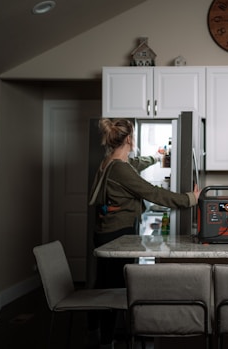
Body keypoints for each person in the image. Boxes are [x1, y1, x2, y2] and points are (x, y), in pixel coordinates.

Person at [88, 118, 199, 348]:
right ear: (130, 138)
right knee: (113, 290)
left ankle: (95, 331)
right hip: (118, 235)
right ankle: (107, 340)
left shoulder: (110, 162)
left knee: (103, 284)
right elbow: (152, 193)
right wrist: (190, 199)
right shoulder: (120, 169)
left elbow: (135, 163)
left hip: (106, 232)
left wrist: (158, 157)